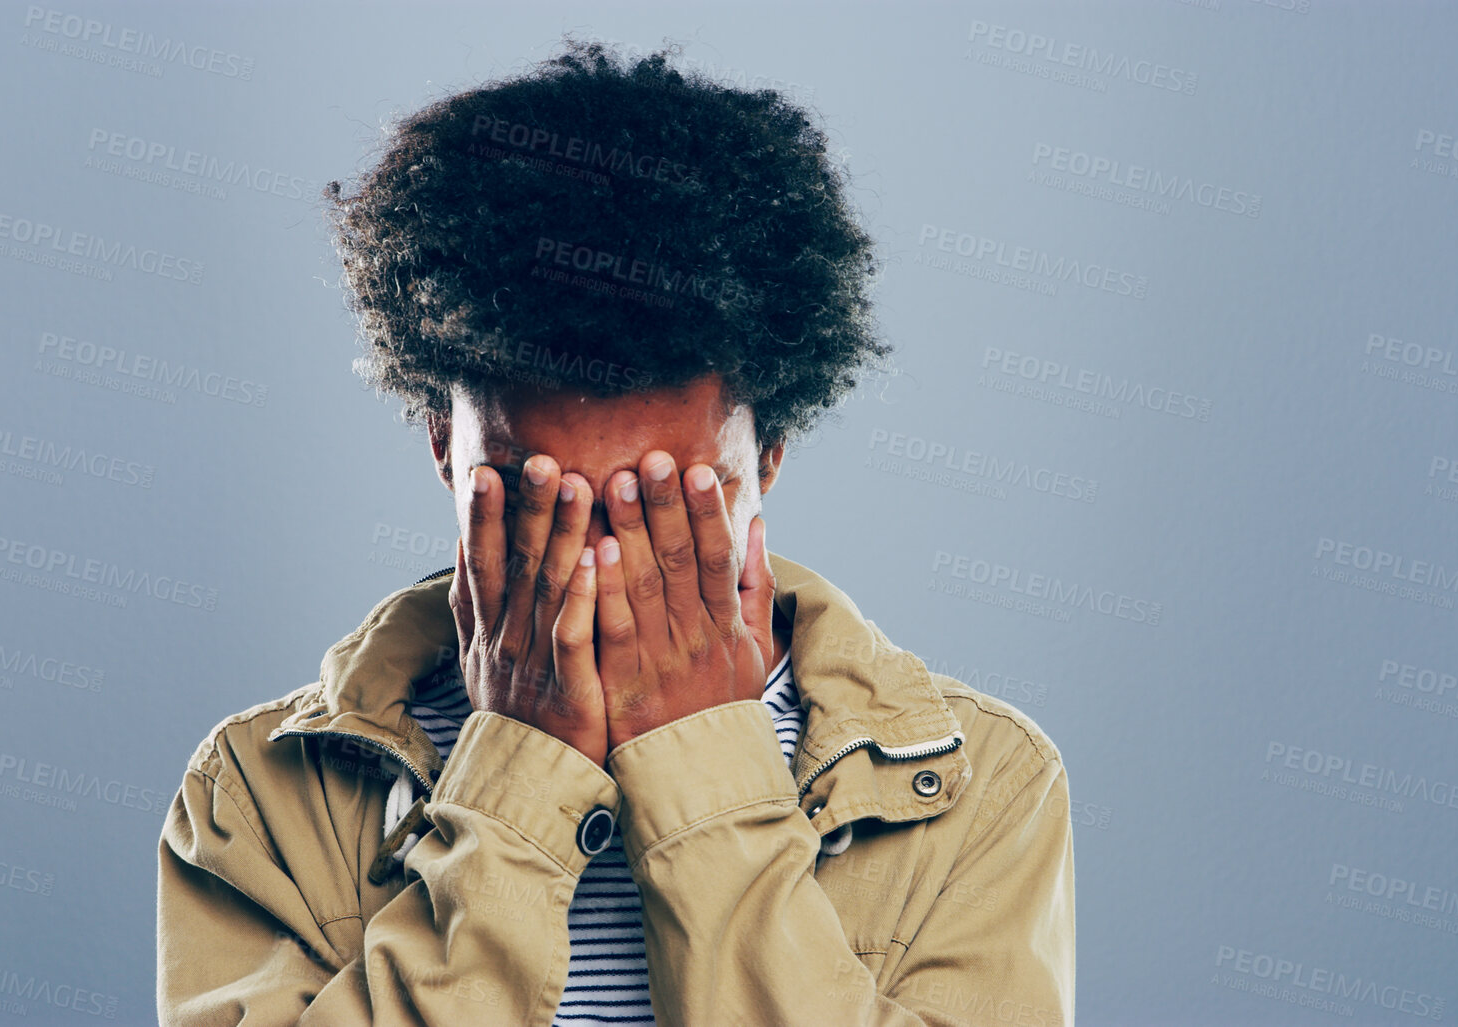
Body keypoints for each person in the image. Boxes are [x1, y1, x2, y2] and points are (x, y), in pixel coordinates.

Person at [157, 39, 1074, 1026]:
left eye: (667, 500)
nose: (597, 566)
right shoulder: (256, 792)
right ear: (441, 447)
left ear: (768, 456)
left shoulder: (978, 785)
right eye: (535, 498)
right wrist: (519, 774)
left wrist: (702, 771)